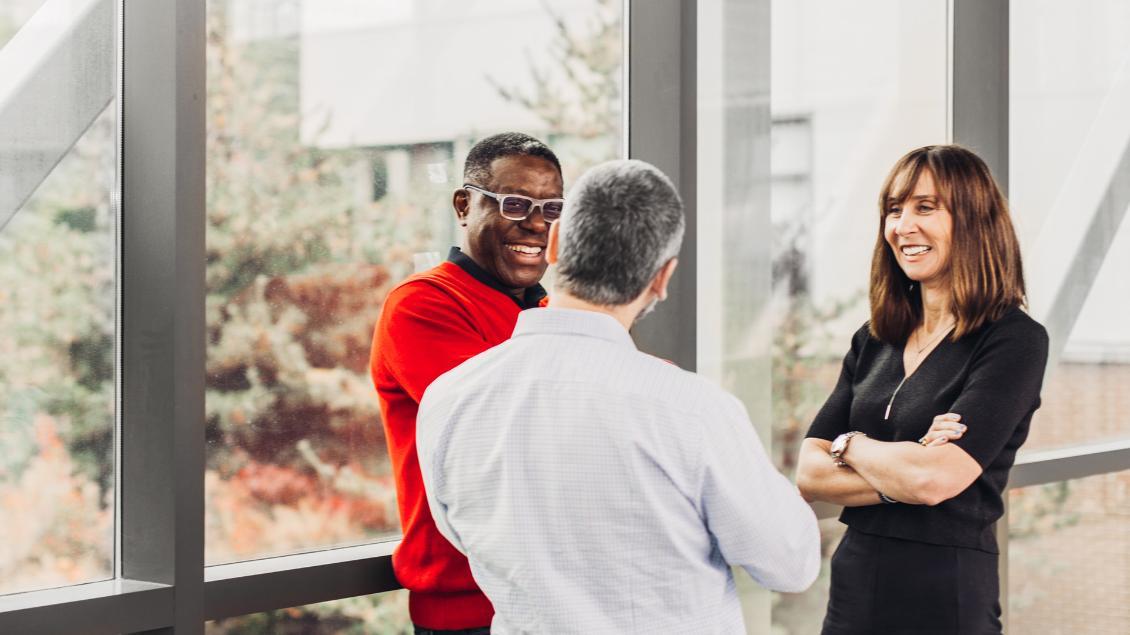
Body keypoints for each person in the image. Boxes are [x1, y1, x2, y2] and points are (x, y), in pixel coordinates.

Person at [416, 159, 821, 634]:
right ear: (662, 278)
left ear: (555, 244)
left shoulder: (448, 398)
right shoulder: (694, 410)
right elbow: (791, 564)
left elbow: (463, 537)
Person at [796, 145, 1049, 635]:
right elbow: (810, 473)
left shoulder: (1013, 340)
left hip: (945, 589)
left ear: (974, 220)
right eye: (895, 209)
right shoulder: (874, 338)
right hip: (855, 579)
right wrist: (906, 467)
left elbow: (936, 482)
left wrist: (851, 445)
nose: (902, 226)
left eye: (925, 208)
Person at [369, 132, 564, 634]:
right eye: (516, 203)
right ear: (464, 205)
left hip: (560, 600)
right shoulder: (423, 305)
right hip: (469, 612)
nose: (538, 224)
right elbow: (509, 433)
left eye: (552, 207)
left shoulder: (552, 312)